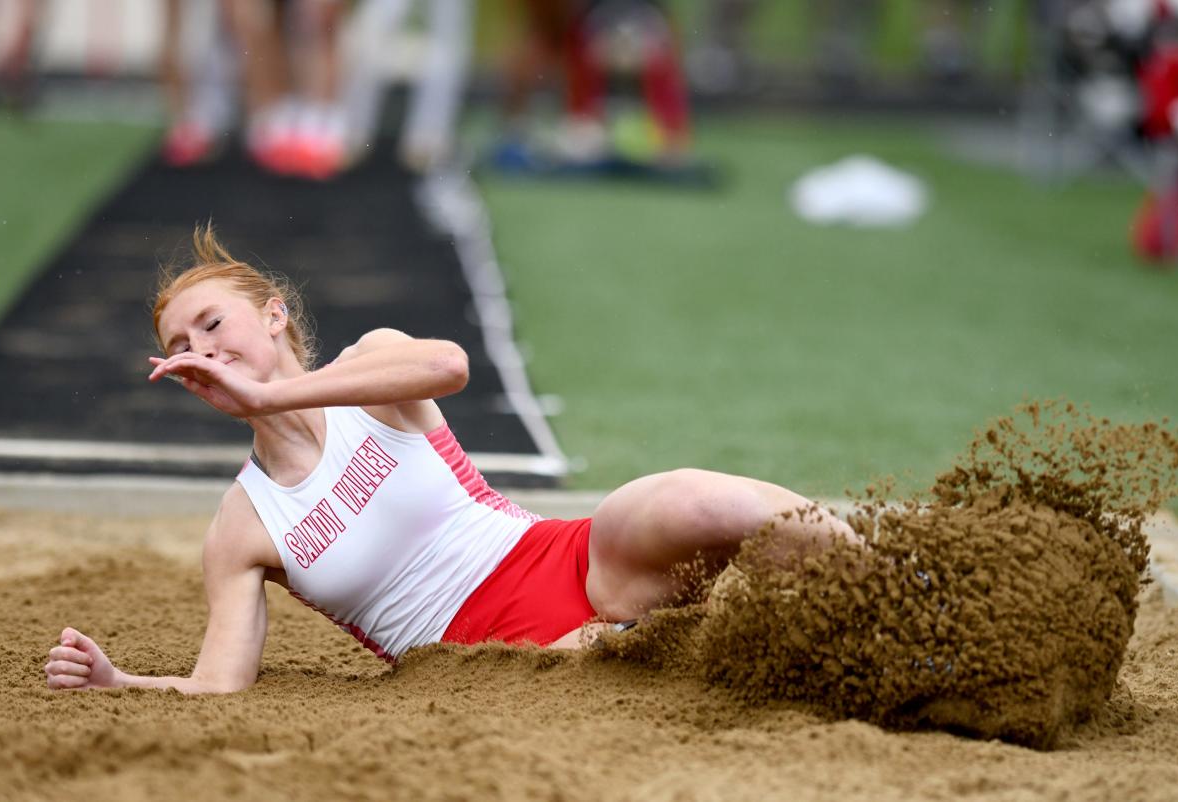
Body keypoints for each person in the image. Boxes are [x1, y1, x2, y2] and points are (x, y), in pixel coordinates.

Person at [43, 225, 858, 693]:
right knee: (660, 655)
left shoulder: (372, 369)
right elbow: (220, 686)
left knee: (702, 504)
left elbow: (453, 367)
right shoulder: (242, 526)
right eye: (179, 348)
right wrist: (122, 684)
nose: (200, 352)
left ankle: (902, 581)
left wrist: (273, 400)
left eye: (212, 325)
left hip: (574, 564)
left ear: (274, 315)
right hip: (501, 669)